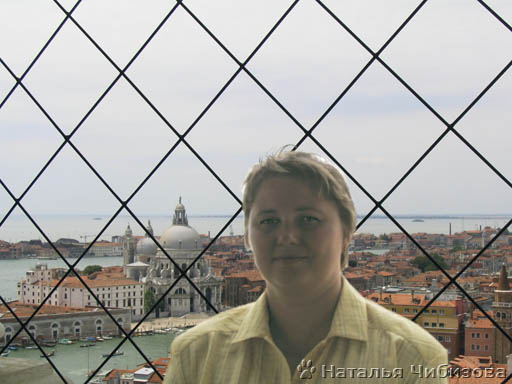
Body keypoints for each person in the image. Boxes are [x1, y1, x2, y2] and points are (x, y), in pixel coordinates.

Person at [164, 150, 448, 383]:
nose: (287, 236)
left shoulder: (415, 359)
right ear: (247, 237)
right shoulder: (194, 354)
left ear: (347, 232)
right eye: (269, 221)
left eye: (308, 219)